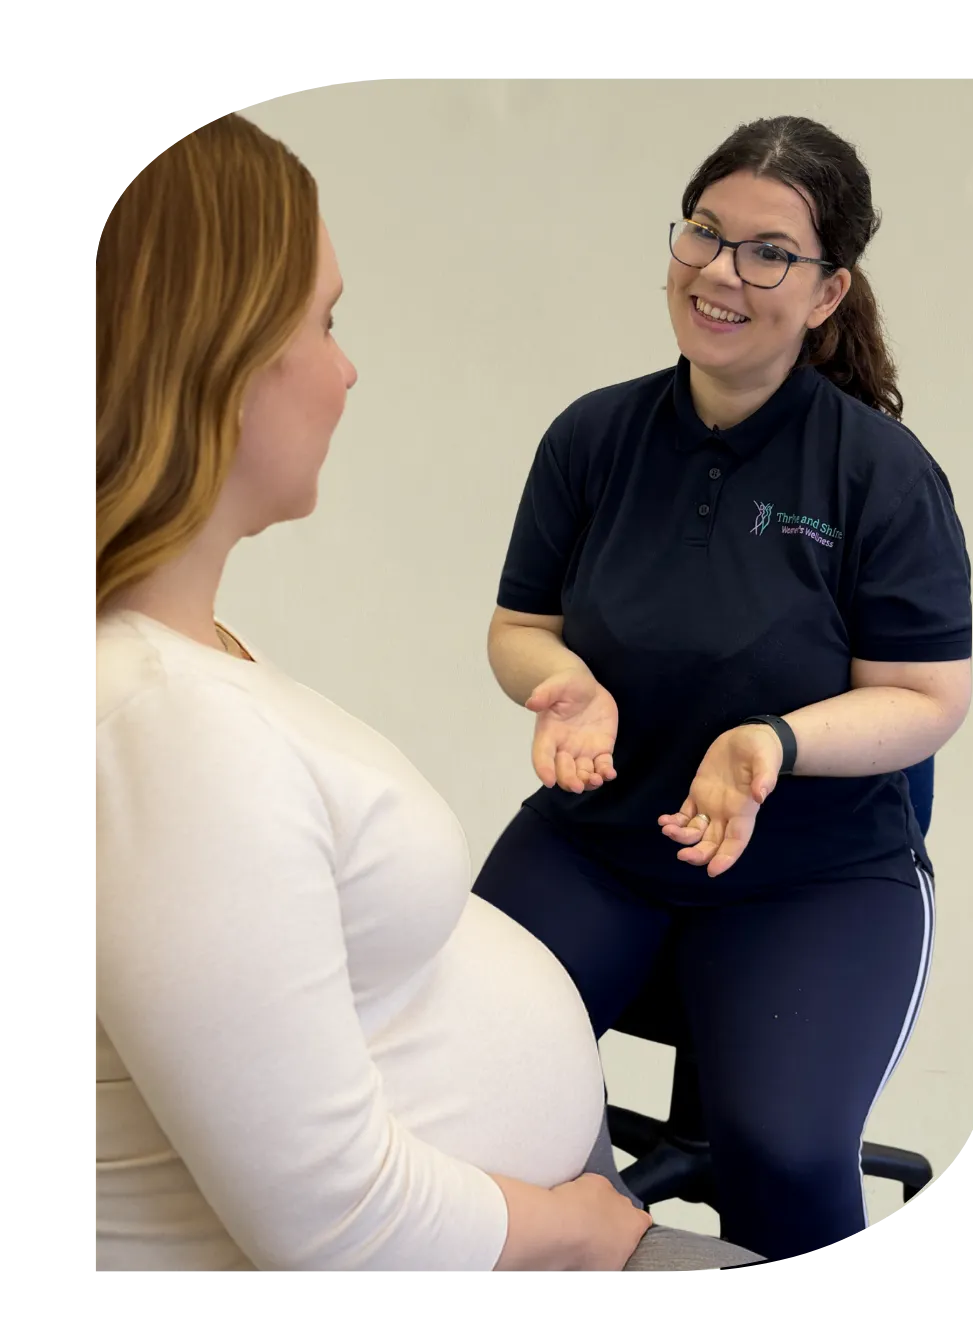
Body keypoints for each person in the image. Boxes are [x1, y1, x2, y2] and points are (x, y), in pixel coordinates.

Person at [91, 112, 763, 1273]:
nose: (347, 368)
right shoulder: (160, 729)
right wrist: (593, 1234)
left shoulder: (183, 674)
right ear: (220, 353)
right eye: (325, 321)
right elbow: (338, 1227)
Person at [475, 115, 973, 1263]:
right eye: (704, 233)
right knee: (450, 1087)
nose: (719, 272)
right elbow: (520, 628)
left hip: (813, 879)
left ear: (828, 289)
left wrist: (773, 743)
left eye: (767, 252)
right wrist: (562, 687)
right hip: (600, 843)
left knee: (787, 1156)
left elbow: (927, 698)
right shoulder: (595, 436)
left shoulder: (880, 475)